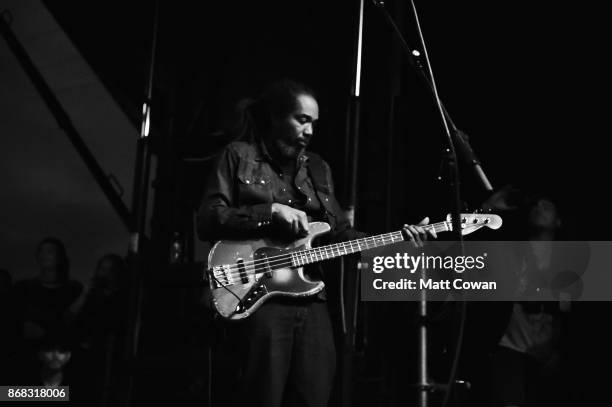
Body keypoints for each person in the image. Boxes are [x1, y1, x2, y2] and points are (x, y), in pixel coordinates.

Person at [197, 79, 435, 407]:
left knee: (315, 394)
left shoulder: (318, 169)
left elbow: (337, 234)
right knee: (260, 395)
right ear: (276, 117)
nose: (309, 131)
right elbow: (209, 218)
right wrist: (269, 212)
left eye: (314, 123)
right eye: (302, 119)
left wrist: (397, 240)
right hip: (259, 295)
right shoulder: (239, 156)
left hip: (312, 297)